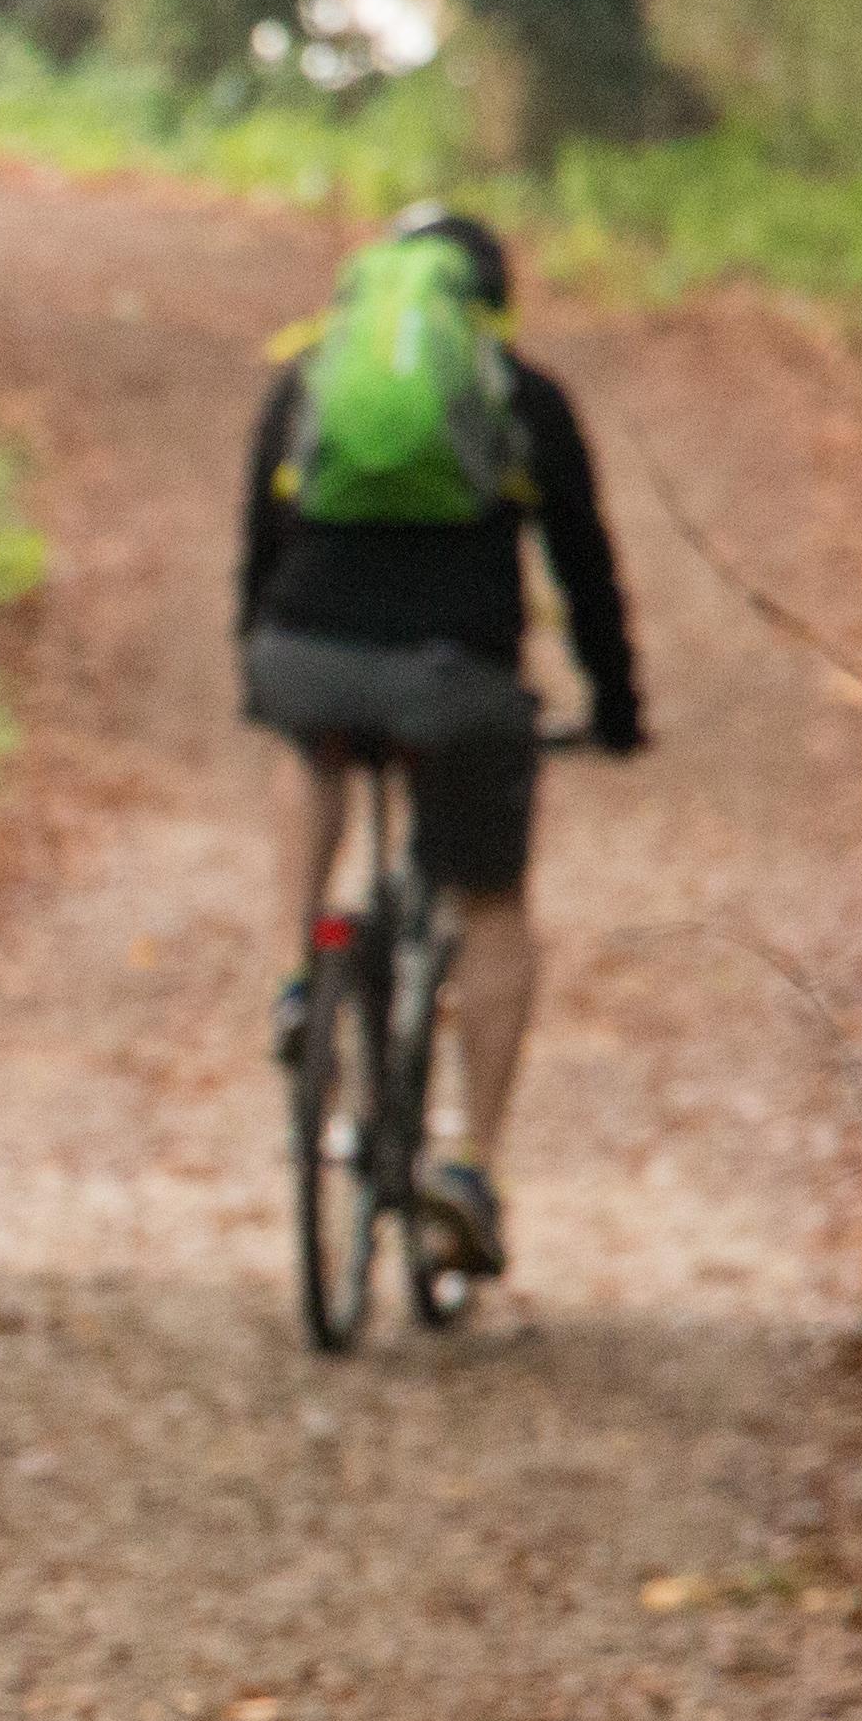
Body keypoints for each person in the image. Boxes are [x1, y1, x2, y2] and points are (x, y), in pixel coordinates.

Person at [237, 203, 641, 1275]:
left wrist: (261, 671)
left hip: (307, 656)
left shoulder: (313, 376)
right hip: (459, 680)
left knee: (308, 752)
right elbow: (584, 568)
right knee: (493, 902)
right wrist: (615, 708)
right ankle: (470, 1167)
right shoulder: (521, 394)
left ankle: (295, 979)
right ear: (491, 306)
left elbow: (257, 541)